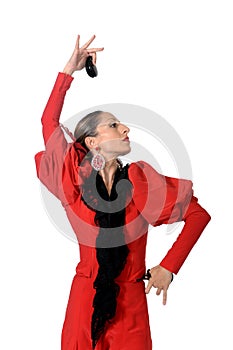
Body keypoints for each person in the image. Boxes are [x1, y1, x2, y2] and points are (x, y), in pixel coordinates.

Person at [35, 35, 211, 350]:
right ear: (92, 142)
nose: (126, 129)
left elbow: (198, 215)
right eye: (114, 126)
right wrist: (68, 72)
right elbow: (49, 122)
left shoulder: (142, 182)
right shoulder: (73, 182)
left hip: (130, 307)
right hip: (84, 303)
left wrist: (169, 266)